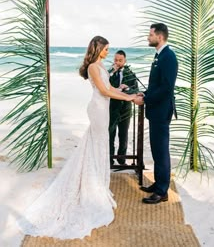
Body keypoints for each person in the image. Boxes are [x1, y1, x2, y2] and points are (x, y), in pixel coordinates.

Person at [17, 36, 136, 239]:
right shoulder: (92, 67)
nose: (108, 52)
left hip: (104, 109)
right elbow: (103, 90)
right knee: (97, 144)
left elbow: (110, 89)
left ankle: (97, 184)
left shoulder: (101, 66)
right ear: (98, 48)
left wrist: (123, 90)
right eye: (106, 49)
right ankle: (93, 187)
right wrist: (128, 97)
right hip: (98, 110)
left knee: (98, 145)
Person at [134, 23, 178, 204]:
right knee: (156, 150)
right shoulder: (159, 55)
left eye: (150, 34)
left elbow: (167, 88)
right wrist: (145, 94)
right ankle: (158, 183)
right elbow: (156, 85)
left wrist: (146, 99)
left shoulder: (168, 57)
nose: (148, 37)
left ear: (159, 37)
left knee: (161, 151)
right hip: (156, 111)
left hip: (161, 111)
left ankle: (162, 191)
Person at [109, 50, 138, 166]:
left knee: (123, 134)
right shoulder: (110, 73)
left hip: (125, 109)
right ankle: (109, 159)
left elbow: (136, 90)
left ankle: (122, 160)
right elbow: (105, 86)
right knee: (110, 133)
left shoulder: (130, 73)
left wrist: (127, 88)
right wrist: (112, 72)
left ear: (125, 61)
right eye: (116, 60)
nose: (117, 62)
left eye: (120, 60)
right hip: (112, 107)